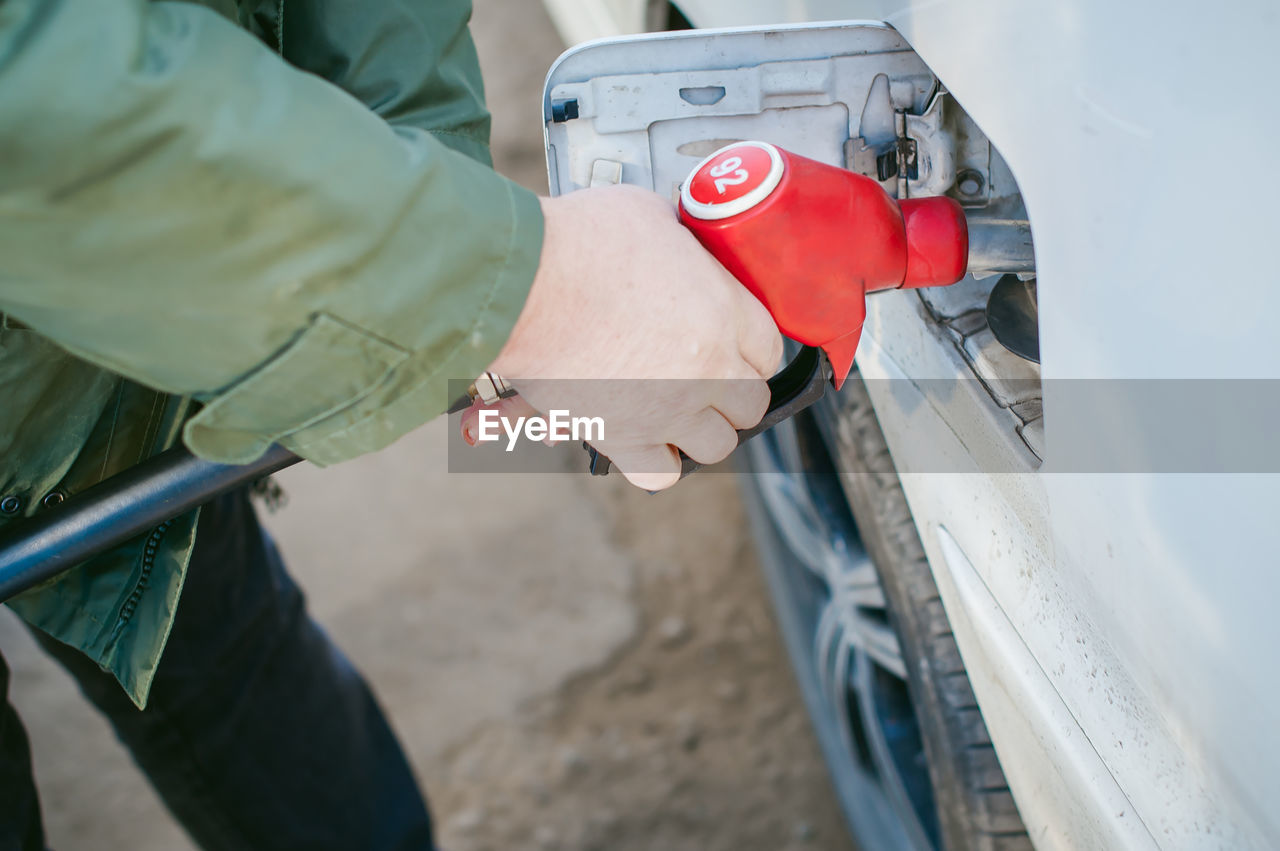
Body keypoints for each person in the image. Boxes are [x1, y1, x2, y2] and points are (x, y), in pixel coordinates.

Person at [0, 1, 782, 849]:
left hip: (108, 379)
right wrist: (522, 293)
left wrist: (455, 289)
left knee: (217, 637)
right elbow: (35, 81)